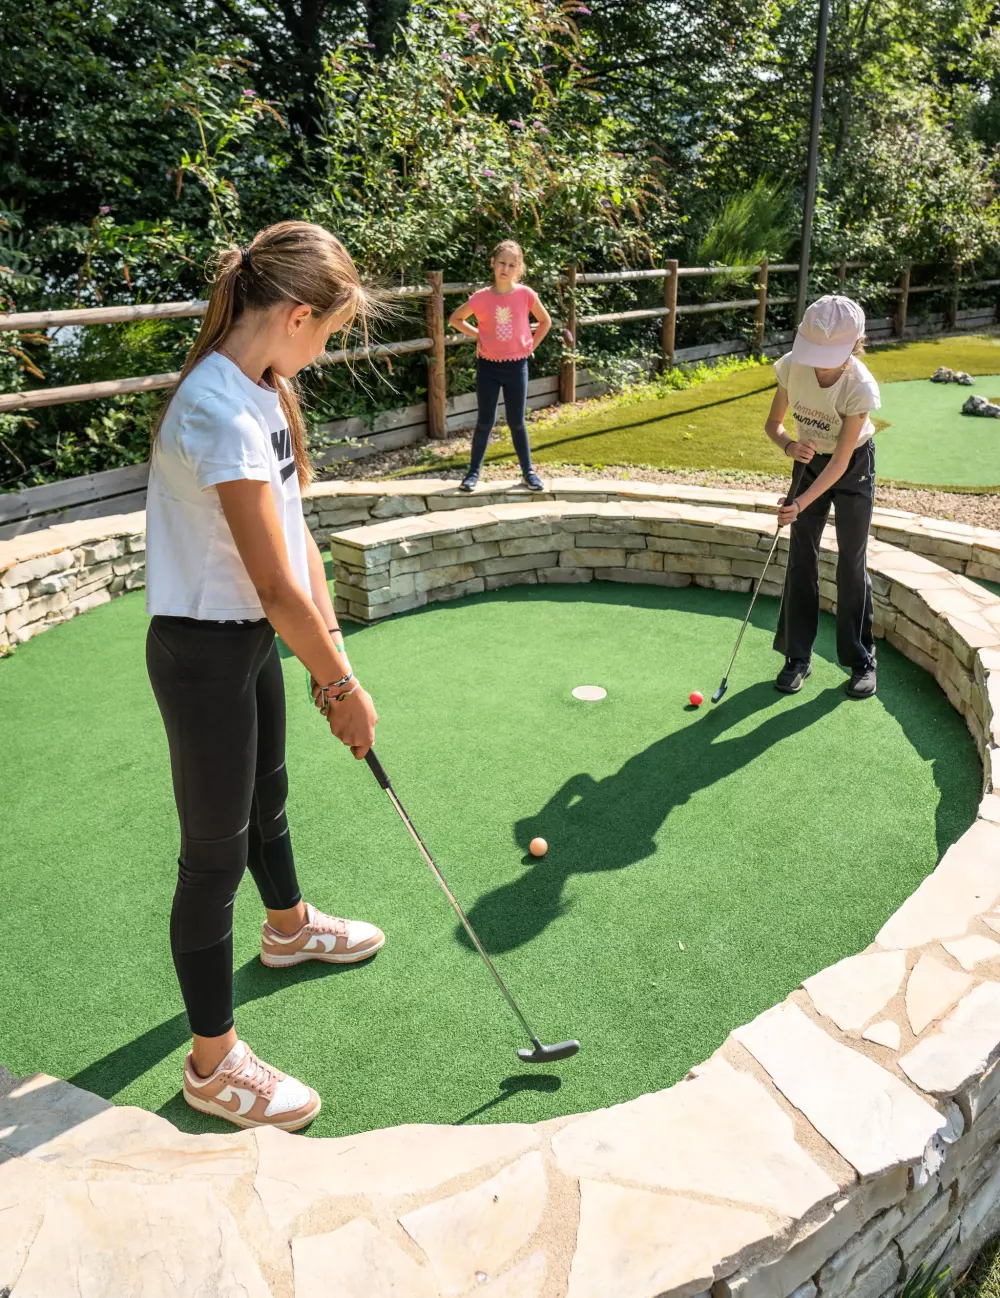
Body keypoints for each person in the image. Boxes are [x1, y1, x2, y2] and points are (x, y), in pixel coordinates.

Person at [145, 221, 384, 1132]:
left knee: (266, 803)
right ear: (292, 314)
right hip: (203, 651)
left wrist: (338, 666)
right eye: (326, 333)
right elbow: (274, 581)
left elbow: (299, 546)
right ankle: (212, 1065)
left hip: (246, 641)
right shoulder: (214, 407)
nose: (322, 353)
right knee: (209, 863)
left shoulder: (264, 388)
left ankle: (287, 929)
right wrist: (336, 686)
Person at [764, 294, 881, 699]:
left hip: (851, 469)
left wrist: (799, 503)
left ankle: (862, 659)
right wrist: (788, 447)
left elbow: (841, 461)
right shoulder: (793, 365)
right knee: (801, 558)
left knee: (851, 562)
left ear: (855, 345)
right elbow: (774, 425)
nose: (819, 362)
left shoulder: (859, 387)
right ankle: (797, 656)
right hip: (809, 461)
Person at [448, 240, 552, 492]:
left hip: (517, 367)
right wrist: (479, 335)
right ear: (493, 263)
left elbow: (545, 321)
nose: (506, 268)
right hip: (488, 368)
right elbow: (455, 319)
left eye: (512, 265)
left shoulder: (526, 295)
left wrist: (531, 346)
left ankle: (528, 473)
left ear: (519, 269)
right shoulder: (480, 298)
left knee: (517, 421)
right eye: (502, 263)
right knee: (485, 421)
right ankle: (472, 474)